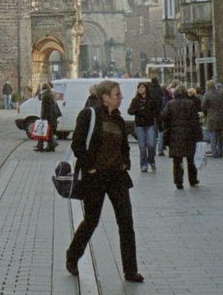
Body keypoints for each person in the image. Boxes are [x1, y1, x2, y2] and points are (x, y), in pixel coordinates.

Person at [65, 79, 144, 283]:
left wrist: (125, 163)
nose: (121, 97)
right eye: (117, 94)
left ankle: (130, 270)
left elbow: (124, 146)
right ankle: (72, 256)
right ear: (105, 98)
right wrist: (89, 165)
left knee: (126, 222)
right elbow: (77, 144)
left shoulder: (118, 119)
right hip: (96, 176)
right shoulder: (89, 115)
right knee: (92, 220)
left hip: (117, 176)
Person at [160, 84, 202, 189]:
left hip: (175, 135)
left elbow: (163, 117)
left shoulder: (170, 104)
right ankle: (193, 180)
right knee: (191, 159)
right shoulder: (191, 104)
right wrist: (198, 135)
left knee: (177, 160)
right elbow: (195, 121)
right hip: (189, 135)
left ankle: (178, 181)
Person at [127, 81, 157, 173]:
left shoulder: (151, 99)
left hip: (149, 124)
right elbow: (130, 111)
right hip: (140, 125)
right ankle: (143, 165)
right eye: (139, 87)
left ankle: (151, 160)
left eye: (142, 87)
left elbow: (156, 110)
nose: (140, 89)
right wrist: (137, 111)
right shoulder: (135, 100)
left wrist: (149, 113)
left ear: (146, 89)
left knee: (151, 145)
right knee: (142, 146)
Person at [201, 79, 223, 158]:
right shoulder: (219, 93)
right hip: (221, 117)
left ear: (208, 86)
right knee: (220, 135)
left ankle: (214, 152)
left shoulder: (207, 94)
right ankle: (220, 151)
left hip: (211, 117)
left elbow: (203, 106)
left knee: (212, 135)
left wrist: (206, 114)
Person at [36, 82, 59, 152]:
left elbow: (44, 108)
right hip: (52, 116)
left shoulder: (46, 96)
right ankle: (44, 146)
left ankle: (50, 145)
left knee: (46, 131)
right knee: (48, 132)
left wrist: (42, 117)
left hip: (48, 117)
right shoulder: (51, 94)